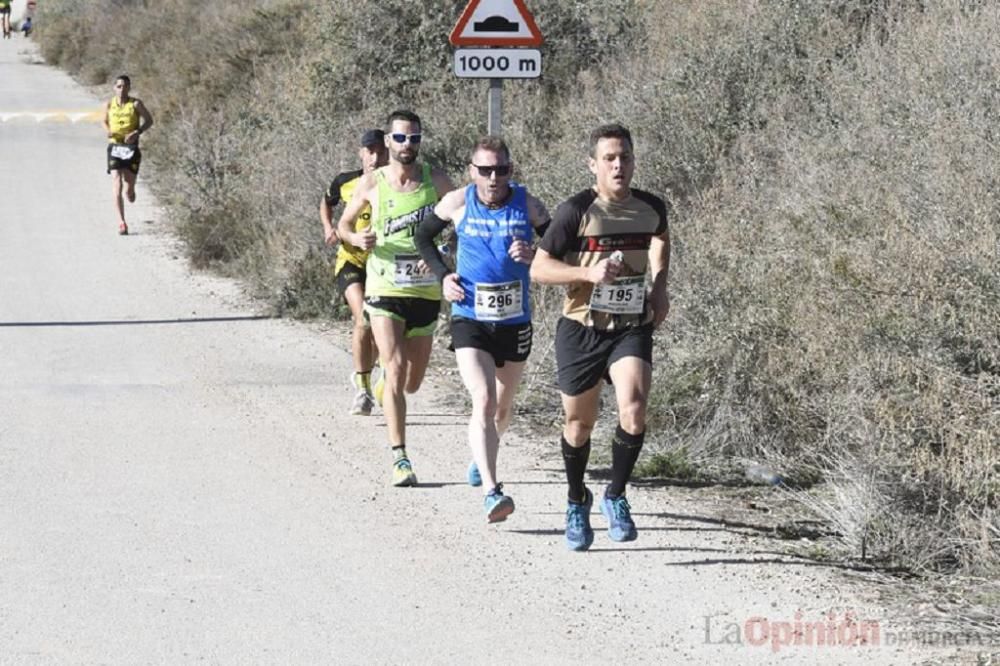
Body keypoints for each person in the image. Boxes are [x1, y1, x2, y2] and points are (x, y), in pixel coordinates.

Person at [530, 123, 670, 551]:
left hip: (629, 326)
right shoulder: (575, 211)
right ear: (593, 165)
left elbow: (660, 239)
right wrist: (587, 273)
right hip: (581, 328)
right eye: (609, 158)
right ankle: (577, 500)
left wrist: (660, 286)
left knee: (634, 409)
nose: (618, 165)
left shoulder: (650, 207)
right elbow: (539, 268)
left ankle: (616, 494)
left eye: (624, 157)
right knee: (579, 425)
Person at [415, 136, 550, 522]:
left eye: (501, 170)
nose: (494, 178)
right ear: (472, 171)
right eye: (485, 170)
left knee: (503, 409)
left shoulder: (528, 205)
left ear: (510, 170)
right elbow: (423, 237)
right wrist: (443, 275)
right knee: (484, 400)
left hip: (514, 320)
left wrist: (536, 254)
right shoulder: (457, 202)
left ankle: (483, 453)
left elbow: (561, 244)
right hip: (469, 316)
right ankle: (493, 491)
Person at [337, 110, 454, 487]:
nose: (408, 145)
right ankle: (400, 458)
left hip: (425, 289)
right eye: (400, 138)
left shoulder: (436, 180)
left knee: (412, 382)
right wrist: (357, 239)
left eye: (414, 139)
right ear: (388, 142)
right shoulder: (372, 183)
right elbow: (343, 224)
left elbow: (461, 220)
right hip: (384, 285)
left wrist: (444, 253)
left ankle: (388, 388)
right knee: (395, 366)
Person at [320, 128, 389, 416]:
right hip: (351, 261)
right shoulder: (345, 181)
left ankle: (384, 374)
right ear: (360, 153)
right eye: (369, 151)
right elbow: (327, 201)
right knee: (364, 318)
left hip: (383, 264)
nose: (374, 157)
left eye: (379, 151)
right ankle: (362, 388)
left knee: (385, 325)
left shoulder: (396, 183)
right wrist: (329, 227)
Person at [102, 75, 153, 236]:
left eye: (125, 86)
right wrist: (108, 131)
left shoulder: (136, 104)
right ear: (114, 88)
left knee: (128, 188)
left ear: (129, 88)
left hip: (131, 147)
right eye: (119, 86)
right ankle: (122, 222)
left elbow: (149, 120)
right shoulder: (109, 104)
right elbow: (104, 121)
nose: (122, 89)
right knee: (117, 181)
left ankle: (131, 190)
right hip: (115, 146)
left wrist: (137, 132)